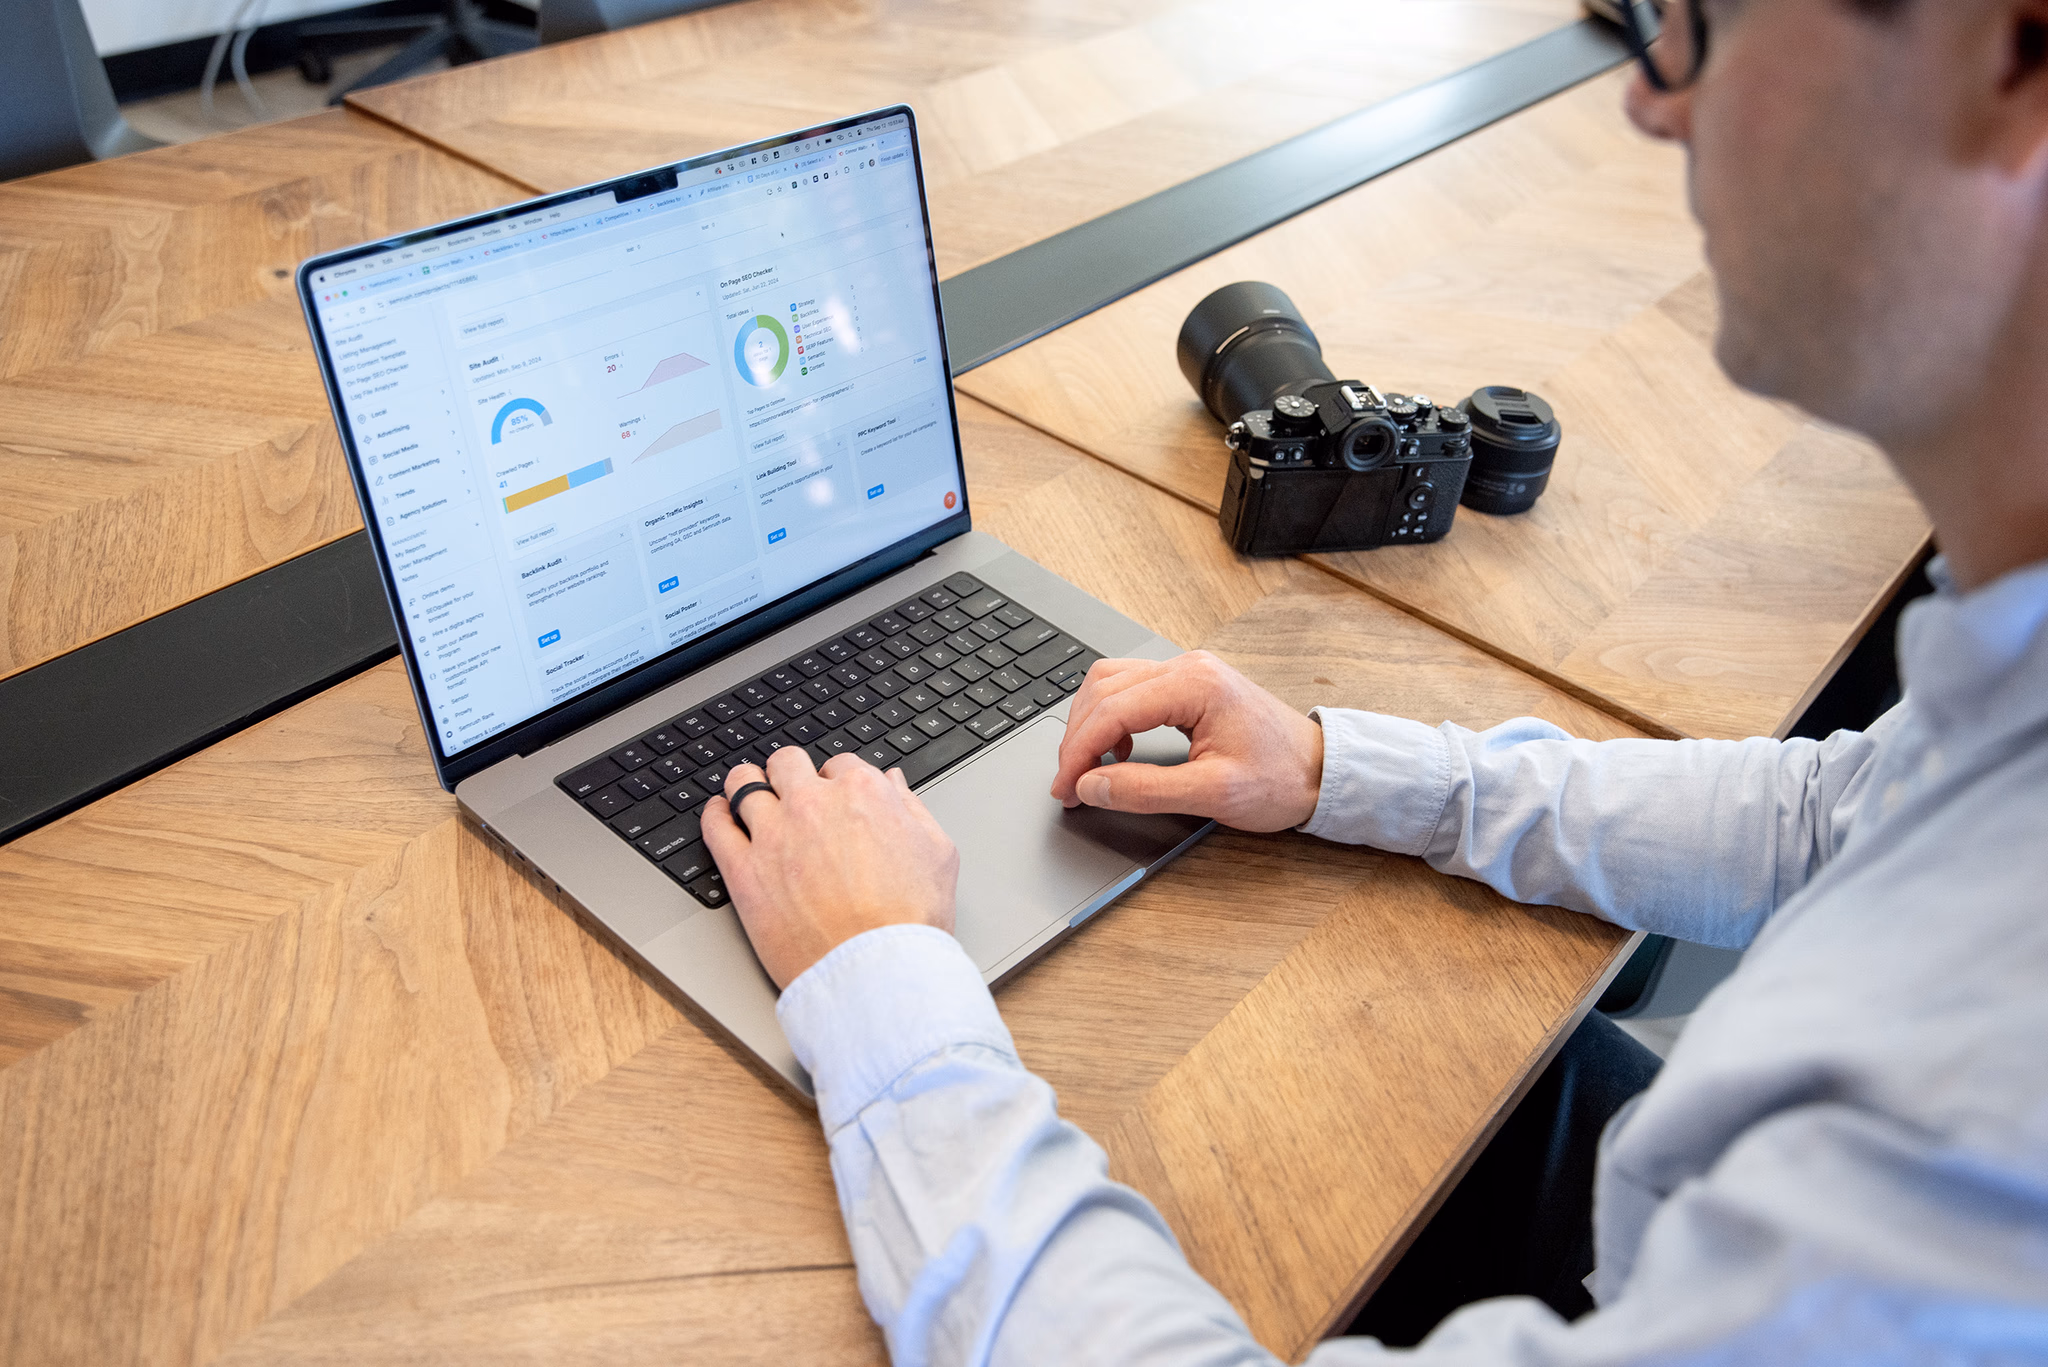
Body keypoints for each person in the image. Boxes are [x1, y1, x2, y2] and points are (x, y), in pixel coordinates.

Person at [698, 0, 2048, 1359]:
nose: (1654, 100)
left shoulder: (1960, 1148)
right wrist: (1336, 767)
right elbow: (1836, 815)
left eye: (1697, 23)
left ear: (2018, 54)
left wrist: (881, 988)